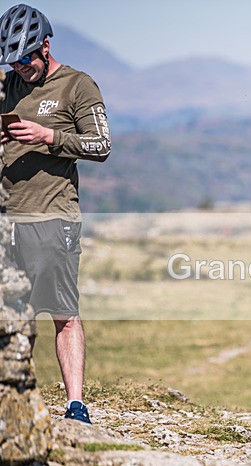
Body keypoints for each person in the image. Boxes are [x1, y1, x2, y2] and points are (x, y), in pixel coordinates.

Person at [0, 4, 111, 424]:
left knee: (62, 313)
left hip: (54, 216)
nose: (20, 66)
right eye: (12, 59)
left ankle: (76, 405)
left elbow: (101, 146)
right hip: (7, 218)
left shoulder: (78, 85)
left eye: (26, 57)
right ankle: (15, 401)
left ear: (45, 46)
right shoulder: (7, 84)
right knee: (13, 316)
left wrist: (49, 137)